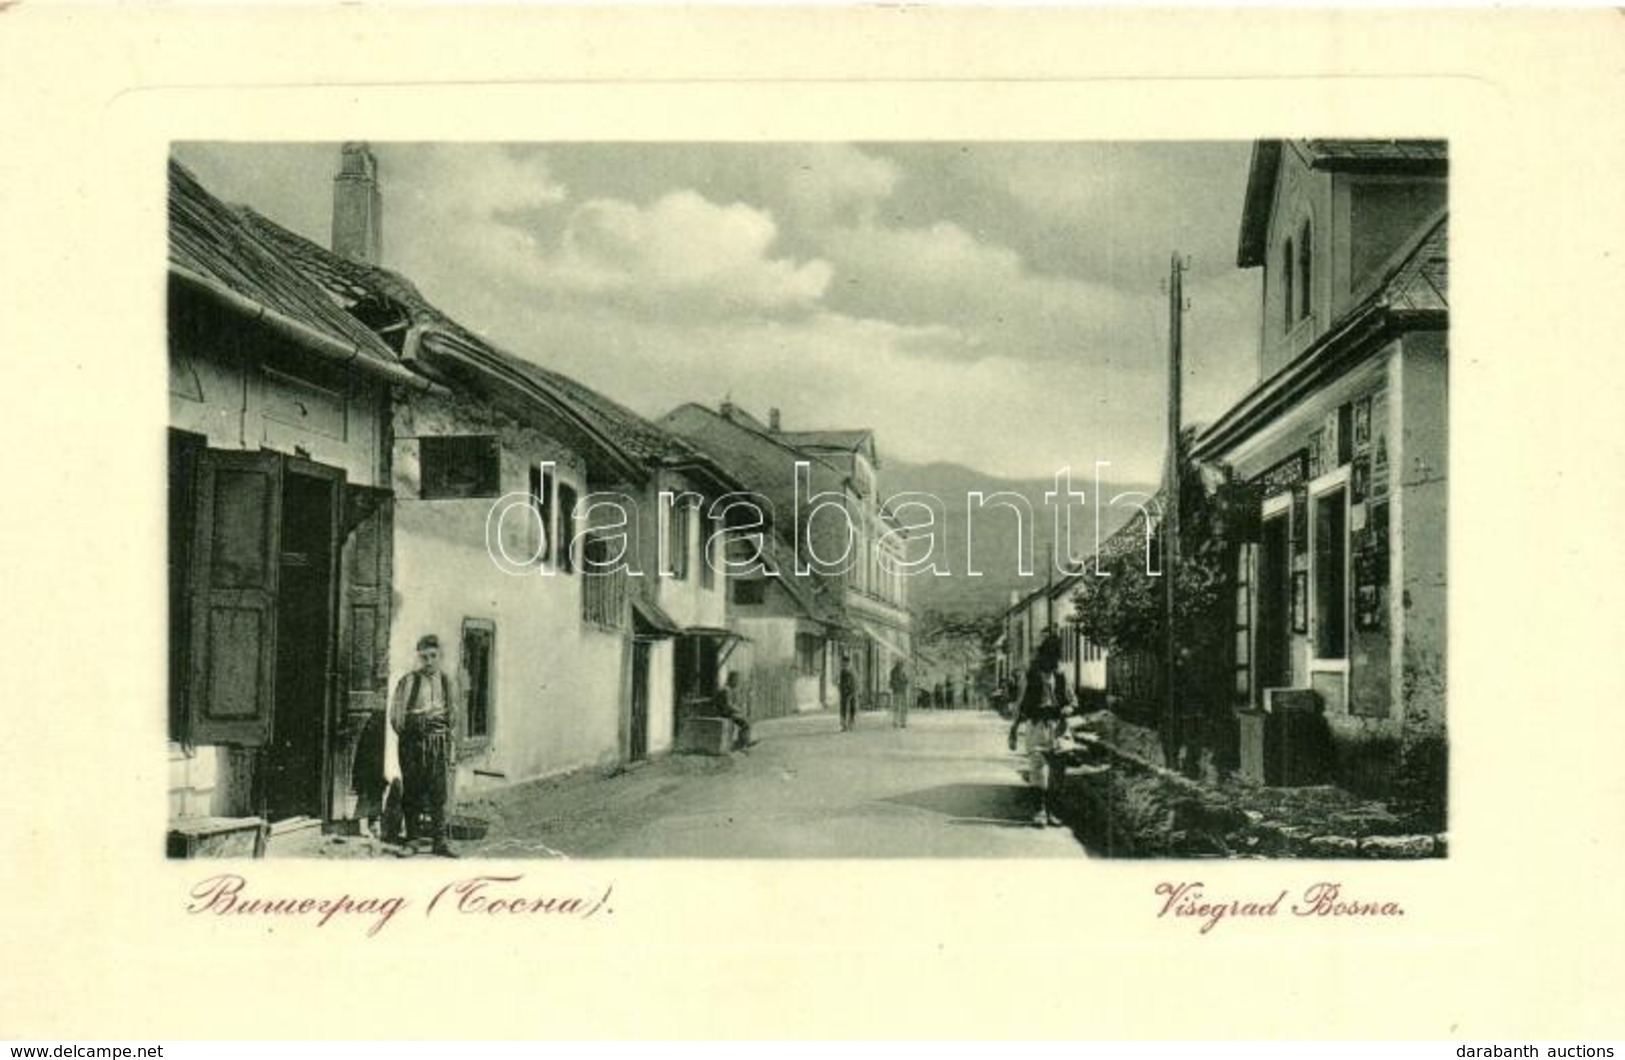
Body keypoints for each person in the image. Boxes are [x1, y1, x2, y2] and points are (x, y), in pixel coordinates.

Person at [386, 634, 459, 857]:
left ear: (440, 656)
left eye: (433, 656)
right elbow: (396, 717)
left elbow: (453, 716)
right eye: (424, 657)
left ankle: (439, 842)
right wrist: (415, 733)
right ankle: (413, 841)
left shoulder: (447, 683)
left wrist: (439, 733)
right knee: (413, 791)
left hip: (438, 743)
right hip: (413, 744)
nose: (428, 661)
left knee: (439, 792)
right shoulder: (409, 682)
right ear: (419, 658)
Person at [1007, 642, 1072, 828]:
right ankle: (1040, 811)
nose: (1053, 663)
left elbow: (1072, 700)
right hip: (1036, 725)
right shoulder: (1030, 676)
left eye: (1055, 660)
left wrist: (1068, 707)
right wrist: (1013, 730)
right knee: (1038, 768)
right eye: (1048, 659)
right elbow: (1020, 704)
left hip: (1058, 726)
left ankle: (1053, 812)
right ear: (1041, 658)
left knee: (1057, 772)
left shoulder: (1061, 676)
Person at [713, 671, 755, 751]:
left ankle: (744, 742)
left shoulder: (729, 689)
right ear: (731, 679)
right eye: (736, 680)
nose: (737, 682)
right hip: (724, 713)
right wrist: (738, 710)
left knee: (746, 721)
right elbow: (728, 705)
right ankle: (742, 744)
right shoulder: (726, 690)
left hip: (727, 712)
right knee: (745, 723)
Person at [838, 656, 858, 731]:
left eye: (845, 663)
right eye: (843, 663)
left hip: (852, 692)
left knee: (852, 709)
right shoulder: (842, 671)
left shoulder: (851, 671)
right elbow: (841, 682)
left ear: (848, 663)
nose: (843, 664)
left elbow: (854, 682)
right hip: (844, 693)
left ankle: (851, 724)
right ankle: (844, 725)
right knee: (843, 709)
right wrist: (841, 688)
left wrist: (852, 692)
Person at [889, 660, 910, 728]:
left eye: (902, 665)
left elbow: (906, 680)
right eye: (900, 665)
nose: (901, 666)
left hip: (902, 691)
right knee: (897, 707)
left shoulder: (903, 672)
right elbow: (893, 681)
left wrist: (904, 681)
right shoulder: (894, 672)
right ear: (898, 665)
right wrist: (902, 681)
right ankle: (896, 722)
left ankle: (902, 722)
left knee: (902, 708)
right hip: (897, 691)